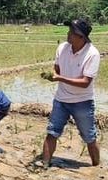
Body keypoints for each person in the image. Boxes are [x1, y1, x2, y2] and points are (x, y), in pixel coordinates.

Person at [40, 19, 101, 168]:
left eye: (72, 32)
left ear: (81, 37)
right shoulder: (62, 48)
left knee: (89, 137)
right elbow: (57, 68)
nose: (68, 34)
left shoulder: (92, 54)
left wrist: (59, 78)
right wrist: (52, 75)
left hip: (82, 102)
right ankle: (44, 165)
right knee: (51, 132)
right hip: (61, 99)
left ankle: (97, 168)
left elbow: (85, 82)